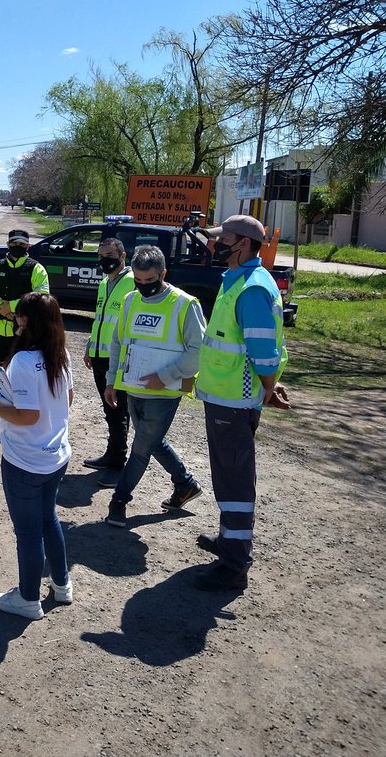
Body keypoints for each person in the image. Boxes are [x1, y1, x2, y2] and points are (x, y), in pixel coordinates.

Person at [192, 215, 290, 592]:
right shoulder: (237, 280)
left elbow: (263, 351)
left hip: (235, 400)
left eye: (223, 239)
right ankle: (228, 541)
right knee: (227, 475)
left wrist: (269, 386)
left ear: (245, 244)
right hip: (227, 397)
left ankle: (234, 564)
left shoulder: (250, 288)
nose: (214, 245)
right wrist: (270, 385)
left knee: (234, 481)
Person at [0, 292, 74, 621]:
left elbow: (27, 415)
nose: (15, 321)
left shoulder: (23, 361)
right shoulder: (59, 353)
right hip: (57, 454)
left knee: (29, 531)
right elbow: (68, 399)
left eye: (20, 317)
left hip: (25, 458)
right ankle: (62, 585)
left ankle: (28, 598)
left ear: (27, 321)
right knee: (48, 519)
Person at [102, 245, 205, 529]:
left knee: (141, 448)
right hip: (133, 388)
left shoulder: (185, 304)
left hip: (165, 392)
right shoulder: (130, 300)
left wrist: (166, 375)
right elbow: (118, 342)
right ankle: (185, 484)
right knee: (151, 440)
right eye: (139, 280)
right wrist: (112, 380)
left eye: (151, 281)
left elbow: (199, 350)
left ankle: (119, 500)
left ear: (164, 273)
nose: (144, 286)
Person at [0, 229, 50, 430]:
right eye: (14, 244)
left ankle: (19, 411)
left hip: (25, 332)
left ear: (27, 246)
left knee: (21, 373)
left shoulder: (36, 269)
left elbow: (42, 295)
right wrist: (0, 307)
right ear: (8, 244)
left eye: (22, 244)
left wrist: (13, 306)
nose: (18, 247)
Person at [82, 238, 135, 481]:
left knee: (118, 410)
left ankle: (117, 462)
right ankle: (111, 454)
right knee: (109, 409)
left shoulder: (134, 282)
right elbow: (99, 319)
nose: (104, 260)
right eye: (101, 256)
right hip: (99, 356)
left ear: (123, 255)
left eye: (109, 255)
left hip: (119, 359)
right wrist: (89, 347)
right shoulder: (105, 282)